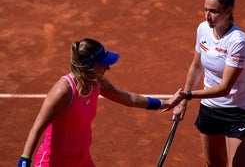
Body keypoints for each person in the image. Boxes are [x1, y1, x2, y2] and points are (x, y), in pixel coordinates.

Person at [17, 38, 180, 167]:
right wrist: (24, 161)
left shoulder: (98, 82)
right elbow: (37, 128)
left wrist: (164, 103)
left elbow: (128, 99)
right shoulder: (63, 91)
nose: (107, 68)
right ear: (88, 67)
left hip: (82, 160)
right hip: (53, 162)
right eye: (103, 64)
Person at [170, 0, 245, 167]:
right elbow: (196, 66)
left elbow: (225, 88)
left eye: (214, 11)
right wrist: (183, 102)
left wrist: (189, 94)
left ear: (228, 11)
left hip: (239, 111)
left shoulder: (237, 41)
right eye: (206, 10)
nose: (207, 16)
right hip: (210, 109)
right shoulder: (203, 29)